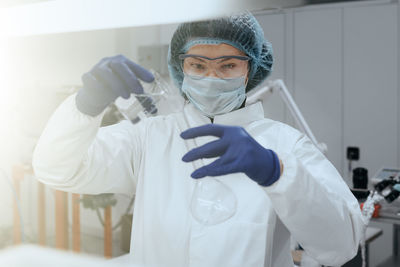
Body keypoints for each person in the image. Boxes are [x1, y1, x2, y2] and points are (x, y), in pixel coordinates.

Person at [32, 12, 365, 267]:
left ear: (251, 70)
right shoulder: (151, 136)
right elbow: (57, 169)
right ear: (181, 68)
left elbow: (341, 247)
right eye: (198, 65)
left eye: (228, 65)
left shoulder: (285, 145)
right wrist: (85, 106)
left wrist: (276, 171)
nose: (211, 78)